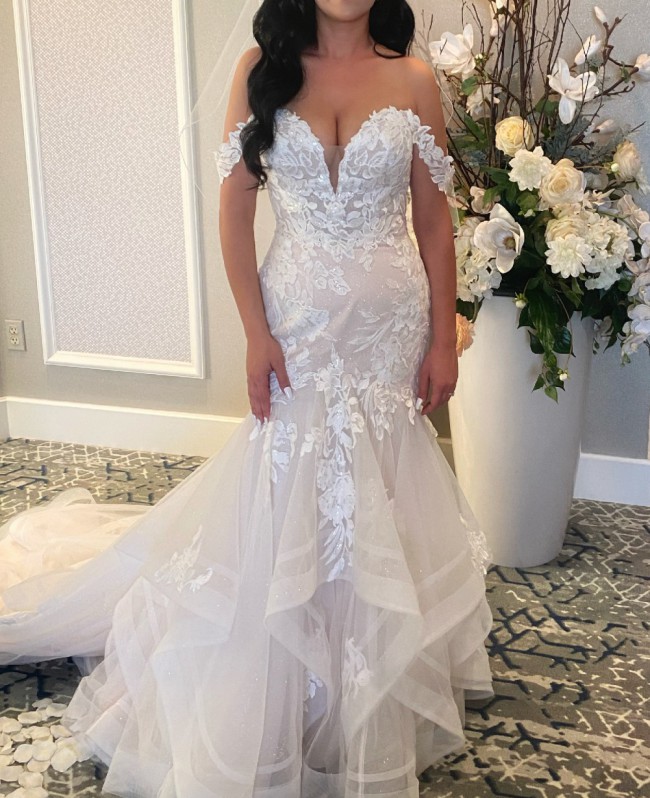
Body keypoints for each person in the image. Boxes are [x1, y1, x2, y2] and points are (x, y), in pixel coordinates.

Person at [0, 1, 494, 796]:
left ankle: (358, 694)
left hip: (386, 331)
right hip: (294, 323)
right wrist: (255, 335)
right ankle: (280, 684)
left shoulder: (412, 80)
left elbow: (433, 220)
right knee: (285, 489)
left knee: (380, 492)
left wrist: (443, 336)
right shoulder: (261, 71)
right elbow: (234, 211)